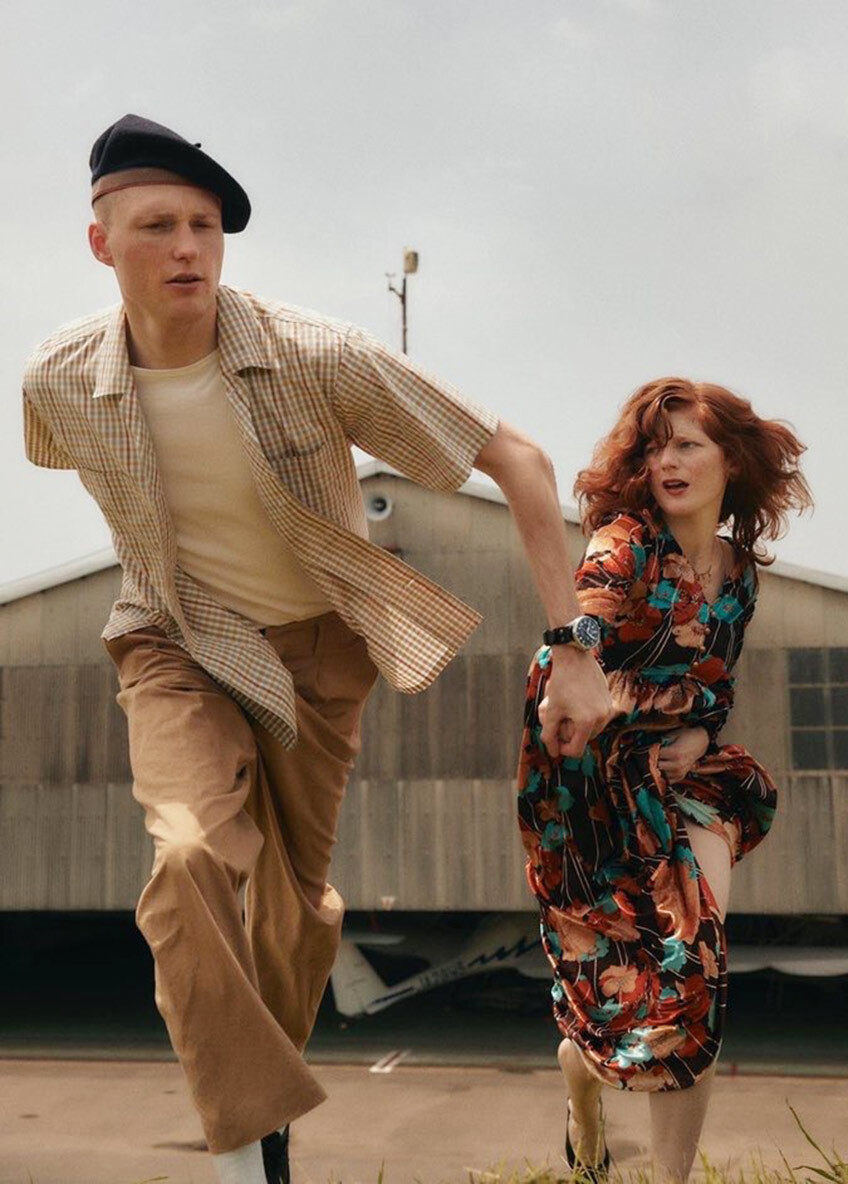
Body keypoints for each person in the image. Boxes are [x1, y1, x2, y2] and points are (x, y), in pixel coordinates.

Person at [22, 113, 612, 1184]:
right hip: (175, 640)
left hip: (319, 649)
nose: (188, 248)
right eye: (158, 226)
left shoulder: (314, 355)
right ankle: (245, 1149)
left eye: (205, 226)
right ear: (101, 243)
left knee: (295, 912)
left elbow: (519, 460)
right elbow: (75, 461)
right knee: (188, 857)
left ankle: (267, 1101)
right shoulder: (56, 382)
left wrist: (571, 645)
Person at [516, 378, 812, 1181]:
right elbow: (575, 641)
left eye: (688, 444)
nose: (668, 462)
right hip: (593, 789)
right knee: (631, 986)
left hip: (690, 781)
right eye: (655, 447)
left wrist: (698, 729)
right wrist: (605, 672)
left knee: (694, 969)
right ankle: (581, 1075)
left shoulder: (738, 574)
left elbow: (716, 685)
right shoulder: (624, 547)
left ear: (731, 460)